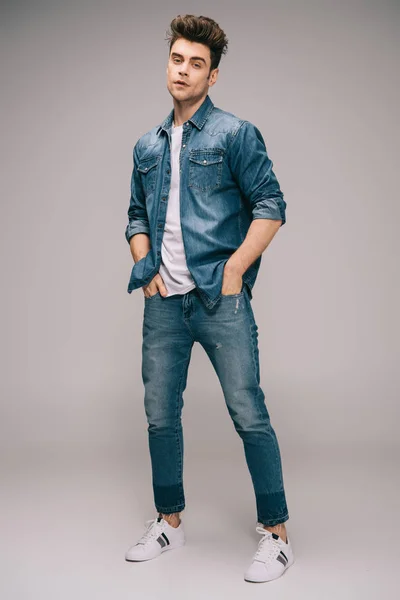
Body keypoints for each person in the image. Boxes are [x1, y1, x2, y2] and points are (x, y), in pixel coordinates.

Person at [124, 14, 294, 583]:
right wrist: (145, 267)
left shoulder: (234, 134)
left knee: (248, 413)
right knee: (158, 415)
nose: (184, 70)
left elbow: (271, 205)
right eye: (178, 59)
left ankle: (276, 535)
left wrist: (235, 271)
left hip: (220, 301)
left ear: (212, 76)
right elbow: (133, 216)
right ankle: (168, 520)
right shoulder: (146, 145)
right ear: (167, 63)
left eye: (197, 63)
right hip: (164, 302)